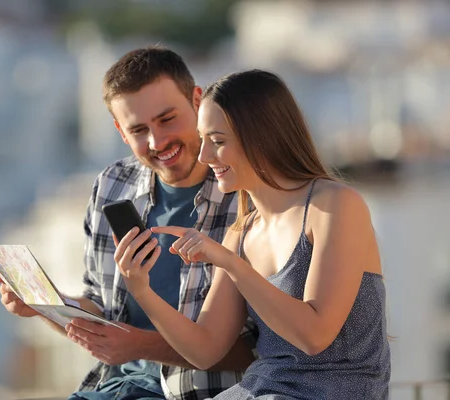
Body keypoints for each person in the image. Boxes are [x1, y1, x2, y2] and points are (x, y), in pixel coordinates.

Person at [0, 47, 257, 399]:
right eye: (138, 130)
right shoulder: (112, 185)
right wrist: (45, 306)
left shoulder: (245, 193)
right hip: (113, 386)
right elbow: (101, 310)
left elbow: (259, 351)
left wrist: (140, 346)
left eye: (167, 119)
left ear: (198, 101)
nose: (157, 141)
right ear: (121, 132)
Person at [115, 70, 391, 399]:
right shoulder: (242, 231)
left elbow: (315, 335)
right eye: (203, 140)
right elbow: (204, 350)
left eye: (217, 141)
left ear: (261, 137)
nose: (204, 156)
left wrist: (231, 264)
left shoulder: (334, 205)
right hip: (262, 389)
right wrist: (142, 290)